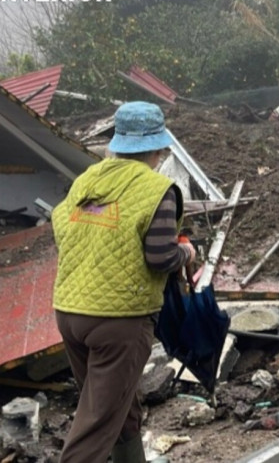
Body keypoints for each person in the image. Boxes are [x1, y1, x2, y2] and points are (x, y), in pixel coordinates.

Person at [51, 101, 196, 463]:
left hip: (69, 313)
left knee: (118, 405)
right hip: (118, 322)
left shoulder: (88, 179)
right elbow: (161, 257)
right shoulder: (156, 189)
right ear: (159, 148)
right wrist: (188, 255)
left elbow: (60, 226)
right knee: (95, 426)